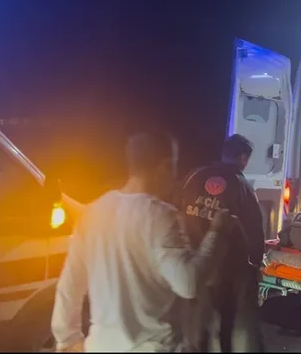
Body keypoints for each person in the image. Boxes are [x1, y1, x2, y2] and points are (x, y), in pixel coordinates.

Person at [51, 131, 228, 352]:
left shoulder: (93, 212)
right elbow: (188, 283)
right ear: (165, 166)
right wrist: (217, 233)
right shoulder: (161, 216)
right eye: (174, 165)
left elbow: (69, 286)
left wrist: (67, 338)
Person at [178, 134, 265, 352]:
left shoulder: (193, 176)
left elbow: (176, 212)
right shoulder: (242, 186)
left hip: (192, 262)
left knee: (194, 322)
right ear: (243, 158)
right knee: (225, 324)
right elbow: (254, 231)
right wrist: (256, 264)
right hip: (224, 270)